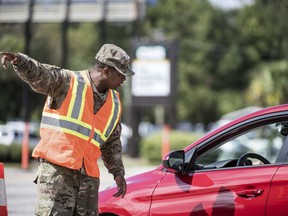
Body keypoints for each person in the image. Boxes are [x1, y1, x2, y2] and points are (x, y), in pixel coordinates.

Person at [0, 43, 135, 216]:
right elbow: (41, 74)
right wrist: (20, 61)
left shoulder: (115, 102)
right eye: (121, 74)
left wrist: (118, 173)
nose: (124, 79)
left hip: (89, 181)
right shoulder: (68, 81)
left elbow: (111, 143)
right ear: (107, 71)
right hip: (58, 175)